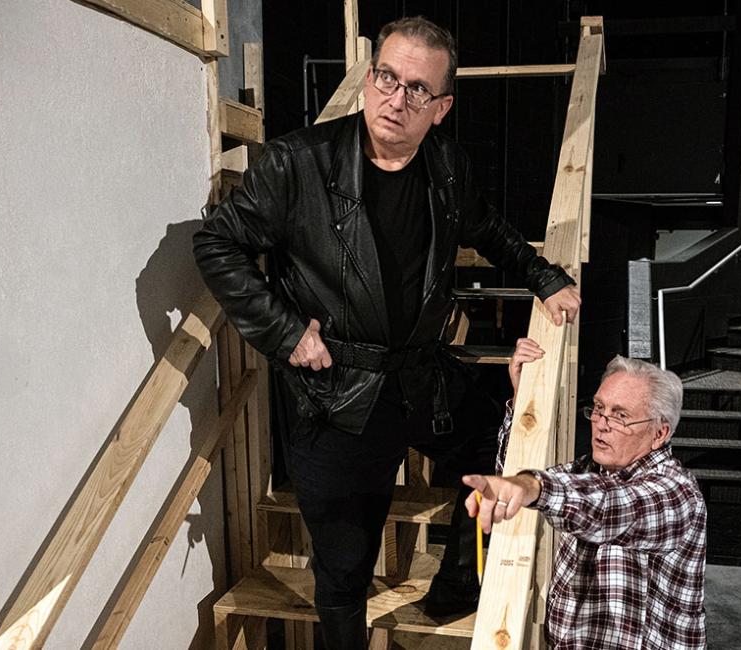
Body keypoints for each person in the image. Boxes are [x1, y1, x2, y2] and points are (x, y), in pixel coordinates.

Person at [192, 16, 581, 649]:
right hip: (337, 397)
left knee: (501, 443)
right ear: (370, 78)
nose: (396, 100)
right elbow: (216, 245)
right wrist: (285, 330)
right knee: (344, 577)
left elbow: (489, 230)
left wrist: (544, 275)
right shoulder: (299, 162)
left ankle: (459, 582)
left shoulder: (446, 165)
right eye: (386, 78)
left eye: (417, 90)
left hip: (421, 379)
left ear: (441, 108)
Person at [465, 343, 706, 649]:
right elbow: (519, 489)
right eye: (599, 408)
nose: (601, 425)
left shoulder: (678, 493)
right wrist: (522, 396)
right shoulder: (587, 471)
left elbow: (611, 507)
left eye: (620, 416)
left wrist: (534, 487)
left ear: (659, 434)